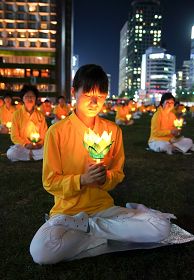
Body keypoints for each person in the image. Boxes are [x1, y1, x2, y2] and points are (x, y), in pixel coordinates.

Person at [30, 64, 175, 264]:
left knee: (161, 227)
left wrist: (105, 179)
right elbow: (50, 181)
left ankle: (91, 229)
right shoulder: (57, 132)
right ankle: (108, 233)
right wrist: (82, 179)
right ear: (74, 92)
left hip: (103, 209)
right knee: (41, 252)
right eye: (88, 93)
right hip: (67, 213)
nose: (95, 101)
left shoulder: (112, 131)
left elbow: (118, 173)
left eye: (101, 94)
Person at [7, 85, 48, 161]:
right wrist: (26, 144)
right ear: (22, 98)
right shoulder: (17, 114)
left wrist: (40, 144)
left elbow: (45, 134)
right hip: (23, 147)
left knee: (50, 149)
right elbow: (14, 136)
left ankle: (29, 156)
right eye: (27, 96)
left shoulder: (40, 115)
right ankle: (33, 156)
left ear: (35, 98)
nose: (30, 98)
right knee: (11, 153)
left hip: (38, 147)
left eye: (32, 96)